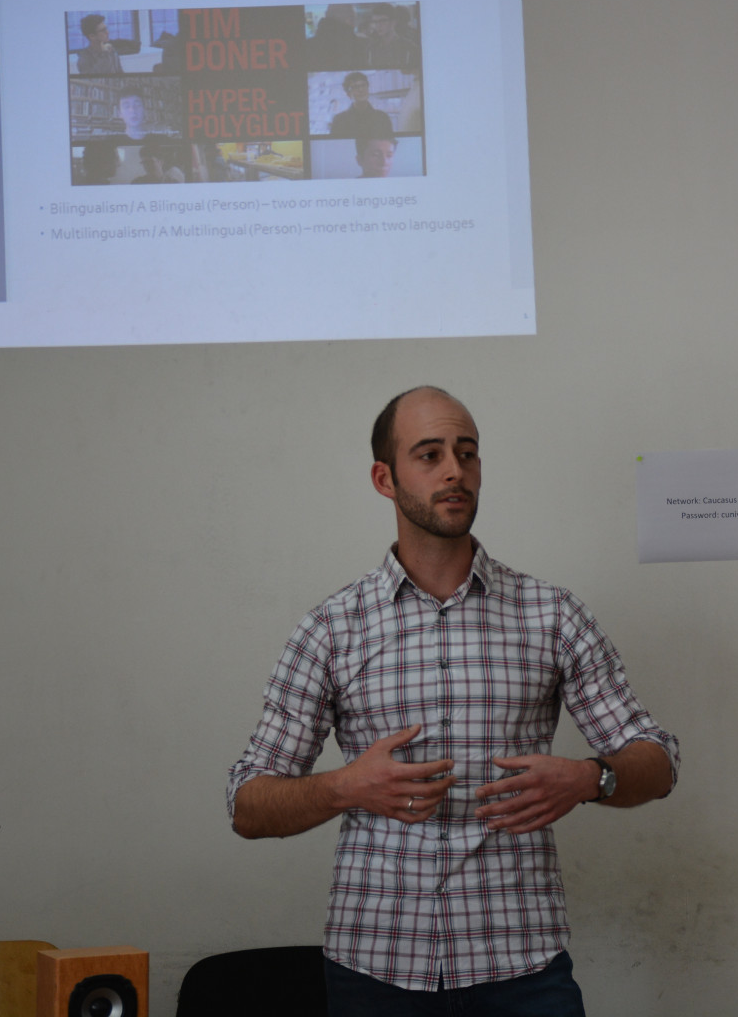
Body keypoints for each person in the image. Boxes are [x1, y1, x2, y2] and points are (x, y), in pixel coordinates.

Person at [227, 387, 679, 1016]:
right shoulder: (331, 629)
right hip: (375, 968)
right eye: (429, 454)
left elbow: (658, 760)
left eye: (467, 453)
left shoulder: (551, 615)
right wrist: (346, 787)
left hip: (521, 968)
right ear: (385, 479)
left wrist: (588, 778)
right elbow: (247, 804)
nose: (454, 471)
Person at [329, 72, 395, 139]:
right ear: (348, 94)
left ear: (368, 89)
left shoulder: (382, 118)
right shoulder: (339, 120)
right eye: (355, 87)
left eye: (363, 85)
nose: (361, 90)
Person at [362, 2, 419, 69]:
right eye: (375, 22)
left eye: (382, 21)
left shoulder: (409, 47)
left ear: (393, 22)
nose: (378, 25)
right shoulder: (371, 49)